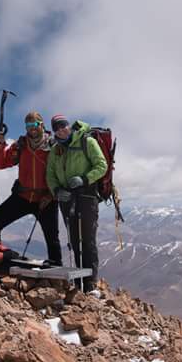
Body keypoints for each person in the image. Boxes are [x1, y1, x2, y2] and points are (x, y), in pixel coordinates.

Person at [0, 111, 62, 265]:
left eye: (35, 124)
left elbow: (61, 172)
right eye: (28, 125)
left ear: (41, 124)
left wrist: (51, 195)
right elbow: (1, 163)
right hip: (22, 196)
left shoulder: (53, 145)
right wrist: (0, 144)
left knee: (52, 238)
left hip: (46, 199)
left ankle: (56, 271)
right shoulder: (21, 145)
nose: (32, 128)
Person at [46, 114, 108, 289]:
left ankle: (90, 283)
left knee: (87, 240)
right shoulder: (55, 150)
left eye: (63, 125)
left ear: (69, 125)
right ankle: (79, 282)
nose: (61, 130)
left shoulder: (86, 142)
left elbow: (101, 165)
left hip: (87, 196)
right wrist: (57, 191)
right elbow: (50, 175)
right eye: (56, 128)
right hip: (67, 199)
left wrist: (85, 179)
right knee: (74, 240)